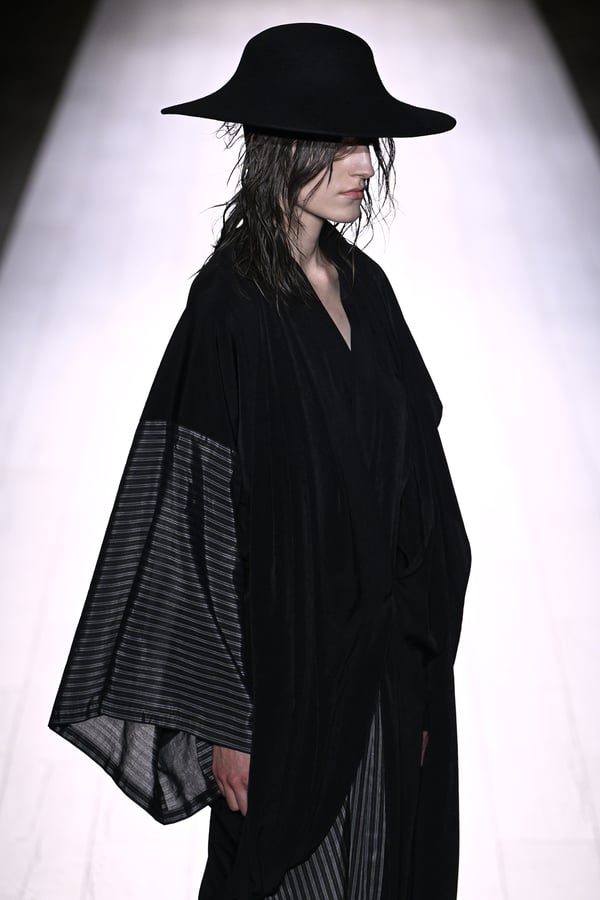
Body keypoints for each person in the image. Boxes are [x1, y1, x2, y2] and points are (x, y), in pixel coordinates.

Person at [48, 22, 471, 900]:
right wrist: (225, 717)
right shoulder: (228, 309)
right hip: (285, 681)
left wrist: (427, 678)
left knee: (385, 873)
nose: (365, 164)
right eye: (342, 143)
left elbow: (424, 492)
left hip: (388, 670)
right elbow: (189, 521)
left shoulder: (367, 289)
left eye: (368, 143)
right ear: (283, 147)